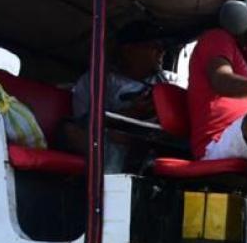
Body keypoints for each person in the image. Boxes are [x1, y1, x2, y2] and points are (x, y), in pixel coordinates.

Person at [66, 21, 178, 171]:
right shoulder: (96, 80)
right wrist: (133, 112)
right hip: (110, 143)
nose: (161, 52)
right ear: (129, 49)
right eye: (154, 46)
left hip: (157, 142)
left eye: (163, 47)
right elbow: (84, 124)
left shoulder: (168, 81)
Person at [186, 27, 247, 160]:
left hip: (235, 137)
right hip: (216, 142)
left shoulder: (246, 53)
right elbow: (221, 81)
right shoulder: (217, 37)